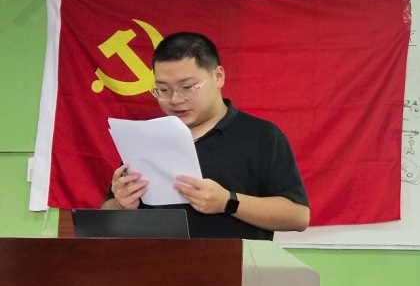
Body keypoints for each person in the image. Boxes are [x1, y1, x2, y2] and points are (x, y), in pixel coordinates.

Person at [102, 31, 310, 239]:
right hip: (153, 258)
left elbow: (298, 216)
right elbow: (105, 214)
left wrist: (227, 202)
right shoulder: (146, 138)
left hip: (233, 260)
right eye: (163, 90)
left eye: (187, 87)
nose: (175, 99)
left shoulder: (262, 136)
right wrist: (120, 204)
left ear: (218, 76)